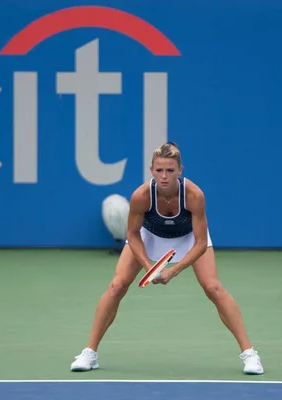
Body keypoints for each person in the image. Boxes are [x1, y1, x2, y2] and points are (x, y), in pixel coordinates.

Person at [69, 142, 264, 375]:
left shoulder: (194, 195)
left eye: (170, 170)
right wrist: (148, 267)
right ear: (151, 170)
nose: (164, 176)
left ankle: (250, 355)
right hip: (149, 235)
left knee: (213, 288)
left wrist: (174, 270)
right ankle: (90, 353)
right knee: (117, 286)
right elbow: (132, 234)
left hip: (188, 237)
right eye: (159, 170)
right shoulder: (141, 196)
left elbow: (201, 242)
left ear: (180, 171)